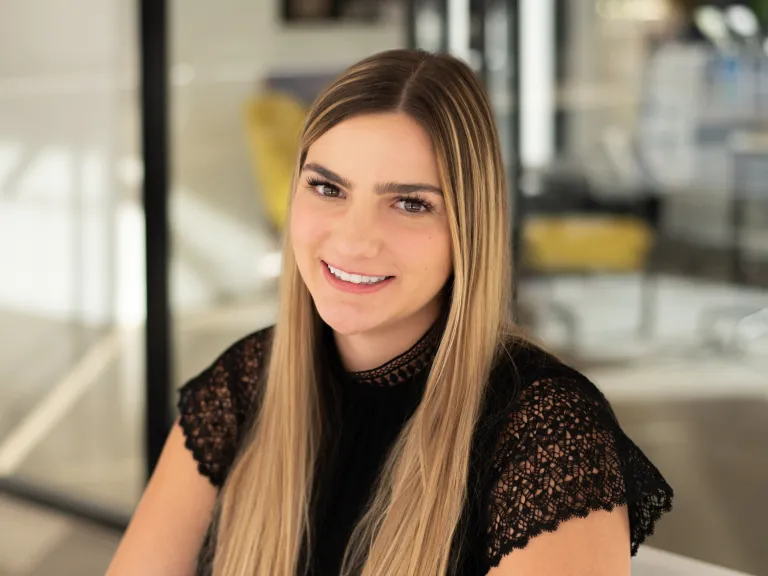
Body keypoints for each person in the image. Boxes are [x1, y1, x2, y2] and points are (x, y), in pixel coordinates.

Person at [106, 49, 673, 576]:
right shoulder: (248, 378)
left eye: (409, 203)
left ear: (468, 230)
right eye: (328, 188)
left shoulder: (545, 434)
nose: (354, 241)